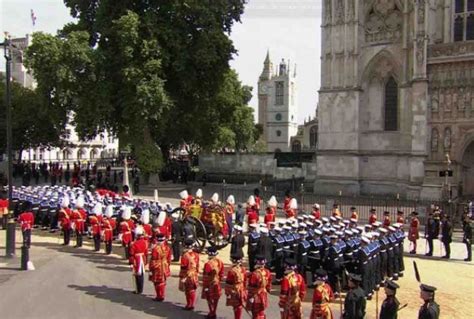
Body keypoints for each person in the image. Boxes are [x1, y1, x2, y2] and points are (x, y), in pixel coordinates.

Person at [201, 246, 224, 319]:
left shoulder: (208, 264)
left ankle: (211, 313)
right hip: (217, 282)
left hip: (210, 283)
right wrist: (218, 280)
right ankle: (214, 311)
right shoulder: (220, 262)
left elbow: (206, 276)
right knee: (216, 298)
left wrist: (205, 285)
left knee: (209, 298)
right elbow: (222, 273)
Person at [149, 233, 171, 301]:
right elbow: (169, 258)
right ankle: (162, 294)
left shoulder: (155, 248)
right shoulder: (167, 247)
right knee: (163, 281)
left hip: (157, 266)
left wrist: (151, 268)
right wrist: (167, 265)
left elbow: (153, 259)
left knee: (156, 282)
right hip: (164, 265)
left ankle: (159, 295)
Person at [179, 238, 200, 310]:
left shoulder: (184, 256)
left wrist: (182, 277)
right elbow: (197, 265)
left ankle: (189, 304)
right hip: (194, 274)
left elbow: (183, 267)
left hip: (187, 275)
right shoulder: (196, 255)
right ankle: (192, 304)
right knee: (192, 290)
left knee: (188, 291)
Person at [225, 254, 248, 319]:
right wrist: (244, 289)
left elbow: (229, 283)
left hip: (234, 289)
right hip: (241, 288)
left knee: (236, 306)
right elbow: (245, 280)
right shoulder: (243, 269)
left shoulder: (231, 271)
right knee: (240, 305)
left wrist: (227, 293)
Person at [129, 226, 148, 294]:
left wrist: (131, 263)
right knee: (141, 274)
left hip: (136, 259)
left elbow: (131, 253)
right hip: (143, 258)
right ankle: (141, 289)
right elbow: (146, 253)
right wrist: (146, 262)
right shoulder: (145, 242)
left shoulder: (133, 243)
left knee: (137, 274)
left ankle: (138, 289)